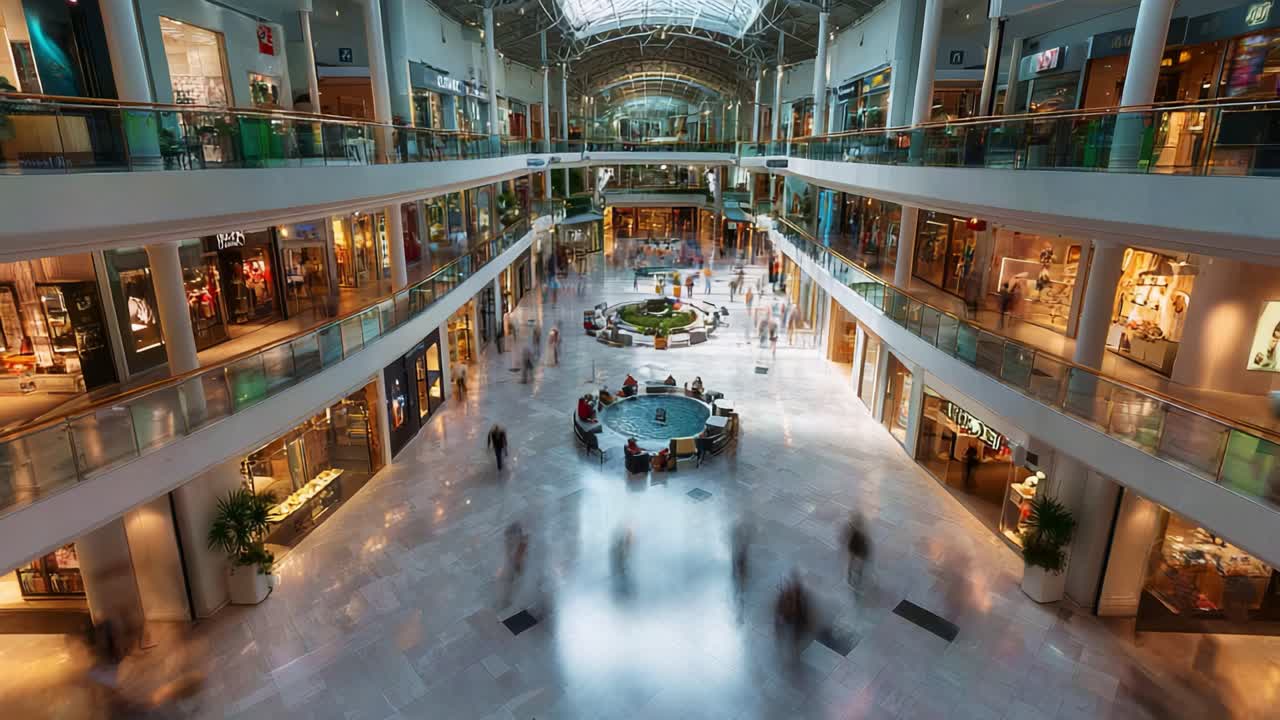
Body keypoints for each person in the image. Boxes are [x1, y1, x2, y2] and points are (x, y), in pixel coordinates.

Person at [843, 513, 871, 587]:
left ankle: (850, 574)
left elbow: (846, 537)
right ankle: (857, 573)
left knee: (852, 561)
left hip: (853, 547)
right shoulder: (860, 532)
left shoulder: (851, 528)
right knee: (858, 561)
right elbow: (864, 541)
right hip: (857, 548)